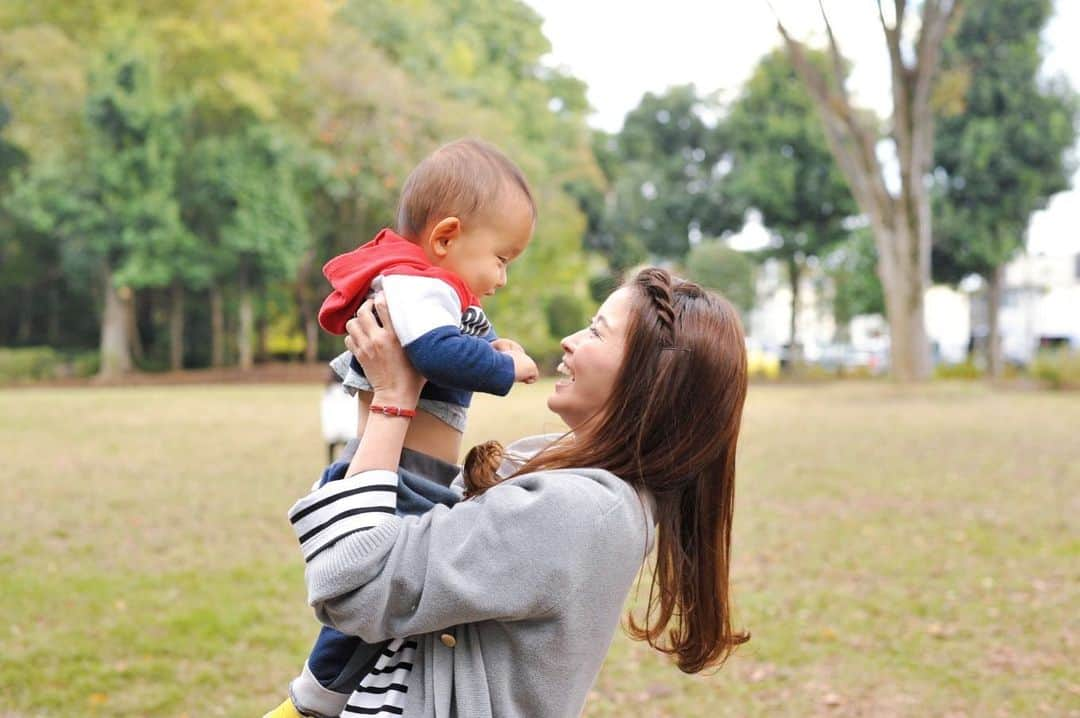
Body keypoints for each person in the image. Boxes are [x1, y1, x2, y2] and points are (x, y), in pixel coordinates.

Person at [286, 267, 750, 717]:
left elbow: (350, 581)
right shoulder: (584, 487)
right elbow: (410, 524)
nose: (570, 340)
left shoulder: (575, 511)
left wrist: (391, 398)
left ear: (649, 379)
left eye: (596, 331)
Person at [266, 138, 540, 718]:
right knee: (377, 593)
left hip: (414, 473)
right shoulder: (419, 284)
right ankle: (316, 696)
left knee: (395, 598)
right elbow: (437, 352)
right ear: (446, 237)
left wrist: (493, 342)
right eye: (502, 259)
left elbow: (458, 335)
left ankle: (343, 694)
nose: (503, 278)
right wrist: (505, 367)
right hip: (397, 476)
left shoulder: (435, 288)